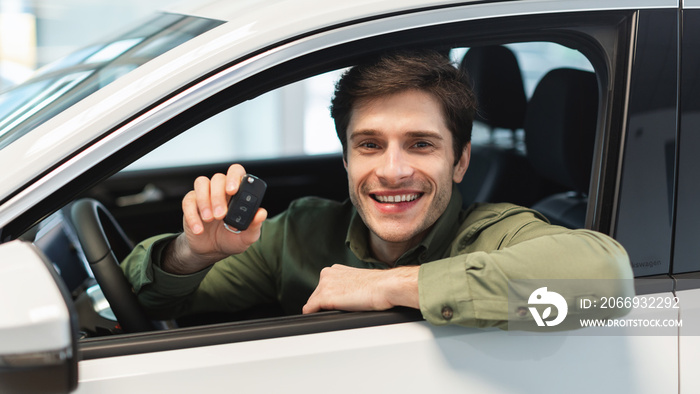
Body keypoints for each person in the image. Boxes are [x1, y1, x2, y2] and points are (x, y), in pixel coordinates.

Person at [121, 50, 633, 328]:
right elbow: (146, 302)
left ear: (460, 162)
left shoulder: (495, 233)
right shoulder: (297, 232)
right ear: (344, 160)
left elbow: (606, 283)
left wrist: (387, 286)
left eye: (420, 144)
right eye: (369, 145)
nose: (391, 171)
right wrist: (191, 253)